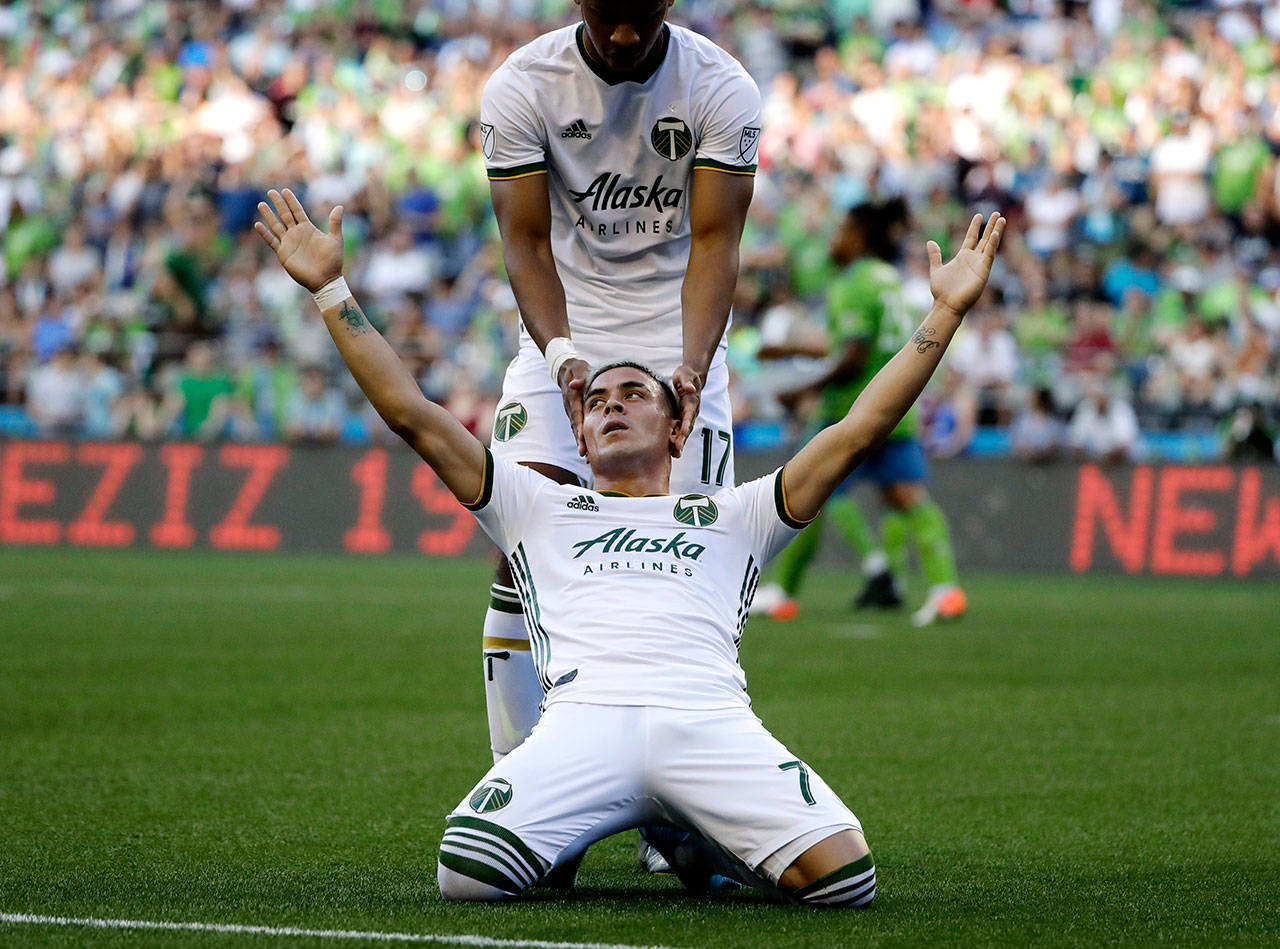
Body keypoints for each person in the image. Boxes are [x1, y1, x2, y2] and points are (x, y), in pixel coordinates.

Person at [254, 186, 1004, 907]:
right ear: (578, 437)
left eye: (635, 395)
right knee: (466, 870)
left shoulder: (735, 513)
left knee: (846, 883)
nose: (612, 404)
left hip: (708, 723)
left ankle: (692, 835)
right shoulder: (537, 503)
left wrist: (944, 312)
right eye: (599, 402)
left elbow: (857, 431)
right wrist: (330, 292)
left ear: (679, 429)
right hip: (584, 724)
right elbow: (413, 415)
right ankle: (641, 828)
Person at [475, 0, 761, 869]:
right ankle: (525, 791)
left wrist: (694, 370)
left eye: (640, 15)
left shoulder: (721, 87)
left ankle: (674, 817)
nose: (625, 34)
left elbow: (715, 242)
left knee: (692, 567)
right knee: (523, 554)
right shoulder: (523, 85)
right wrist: (563, 357)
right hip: (563, 336)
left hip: (682, 341)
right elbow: (524, 242)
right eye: (607, 16)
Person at [754, 200, 968, 627]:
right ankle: (946, 589)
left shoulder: (852, 283)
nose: (834, 239)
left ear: (860, 236)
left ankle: (784, 591)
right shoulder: (893, 282)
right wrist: (794, 348)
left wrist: (801, 391)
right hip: (898, 404)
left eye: (841, 231)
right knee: (907, 495)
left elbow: (852, 357)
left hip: (851, 411)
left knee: (806, 491)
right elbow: (866, 343)